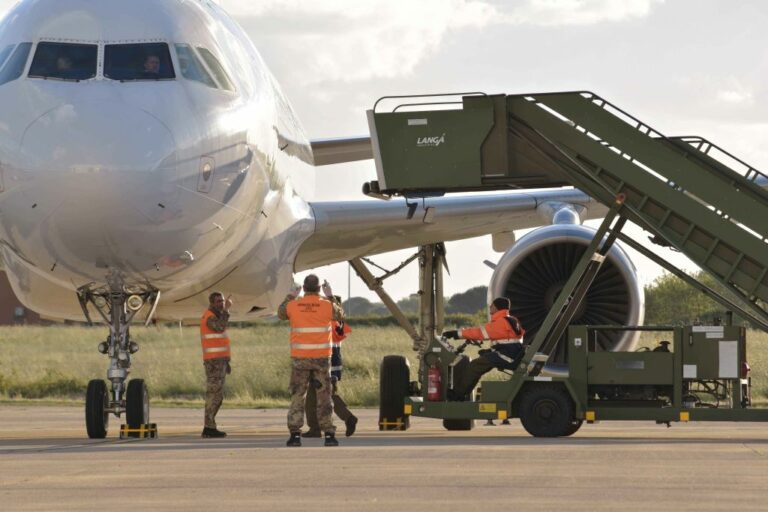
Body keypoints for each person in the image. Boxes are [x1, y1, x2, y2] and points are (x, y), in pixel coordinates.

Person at [278, 275, 344, 447]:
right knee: (324, 396)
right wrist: (330, 295)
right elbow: (340, 315)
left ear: (304, 288)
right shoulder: (327, 305)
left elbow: (281, 313)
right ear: (319, 288)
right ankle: (329, 434)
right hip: (322, 358)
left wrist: (291, 295)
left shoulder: (293, 305)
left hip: (300, 358)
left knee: (298, 396)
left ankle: (295, 435)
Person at [443, 297, 525, 400]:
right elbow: (507, 340)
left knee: (475, 365)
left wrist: (456, 333)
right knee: (479, 366)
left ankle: (456, 394)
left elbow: (479, 333)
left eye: (492, 305)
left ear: (497, 307)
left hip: (507, 356)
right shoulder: (511, 320)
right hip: (511, 354)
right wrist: (490, 351)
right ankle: (462, 393)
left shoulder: (501, 322)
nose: (490, 307)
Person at [303, 299, 358, 438]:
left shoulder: (324, 324)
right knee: (324, 396)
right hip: (333, 367)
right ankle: (317, 427)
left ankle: (344, 418)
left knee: (315, 399)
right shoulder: (338, 324)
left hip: (322, 367)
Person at [200, 291, 232, 438]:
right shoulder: (209, 317)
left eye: (222, 301)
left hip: (220, 361)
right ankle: (208, 427)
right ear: (212, 303)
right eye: (218, 301)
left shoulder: (216, 315)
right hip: (213, 363)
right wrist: (226, 310)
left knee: (217, 396)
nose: (221, 303)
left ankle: (210, 426)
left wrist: (226, 360)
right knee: (214, 395)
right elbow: (220, 327)